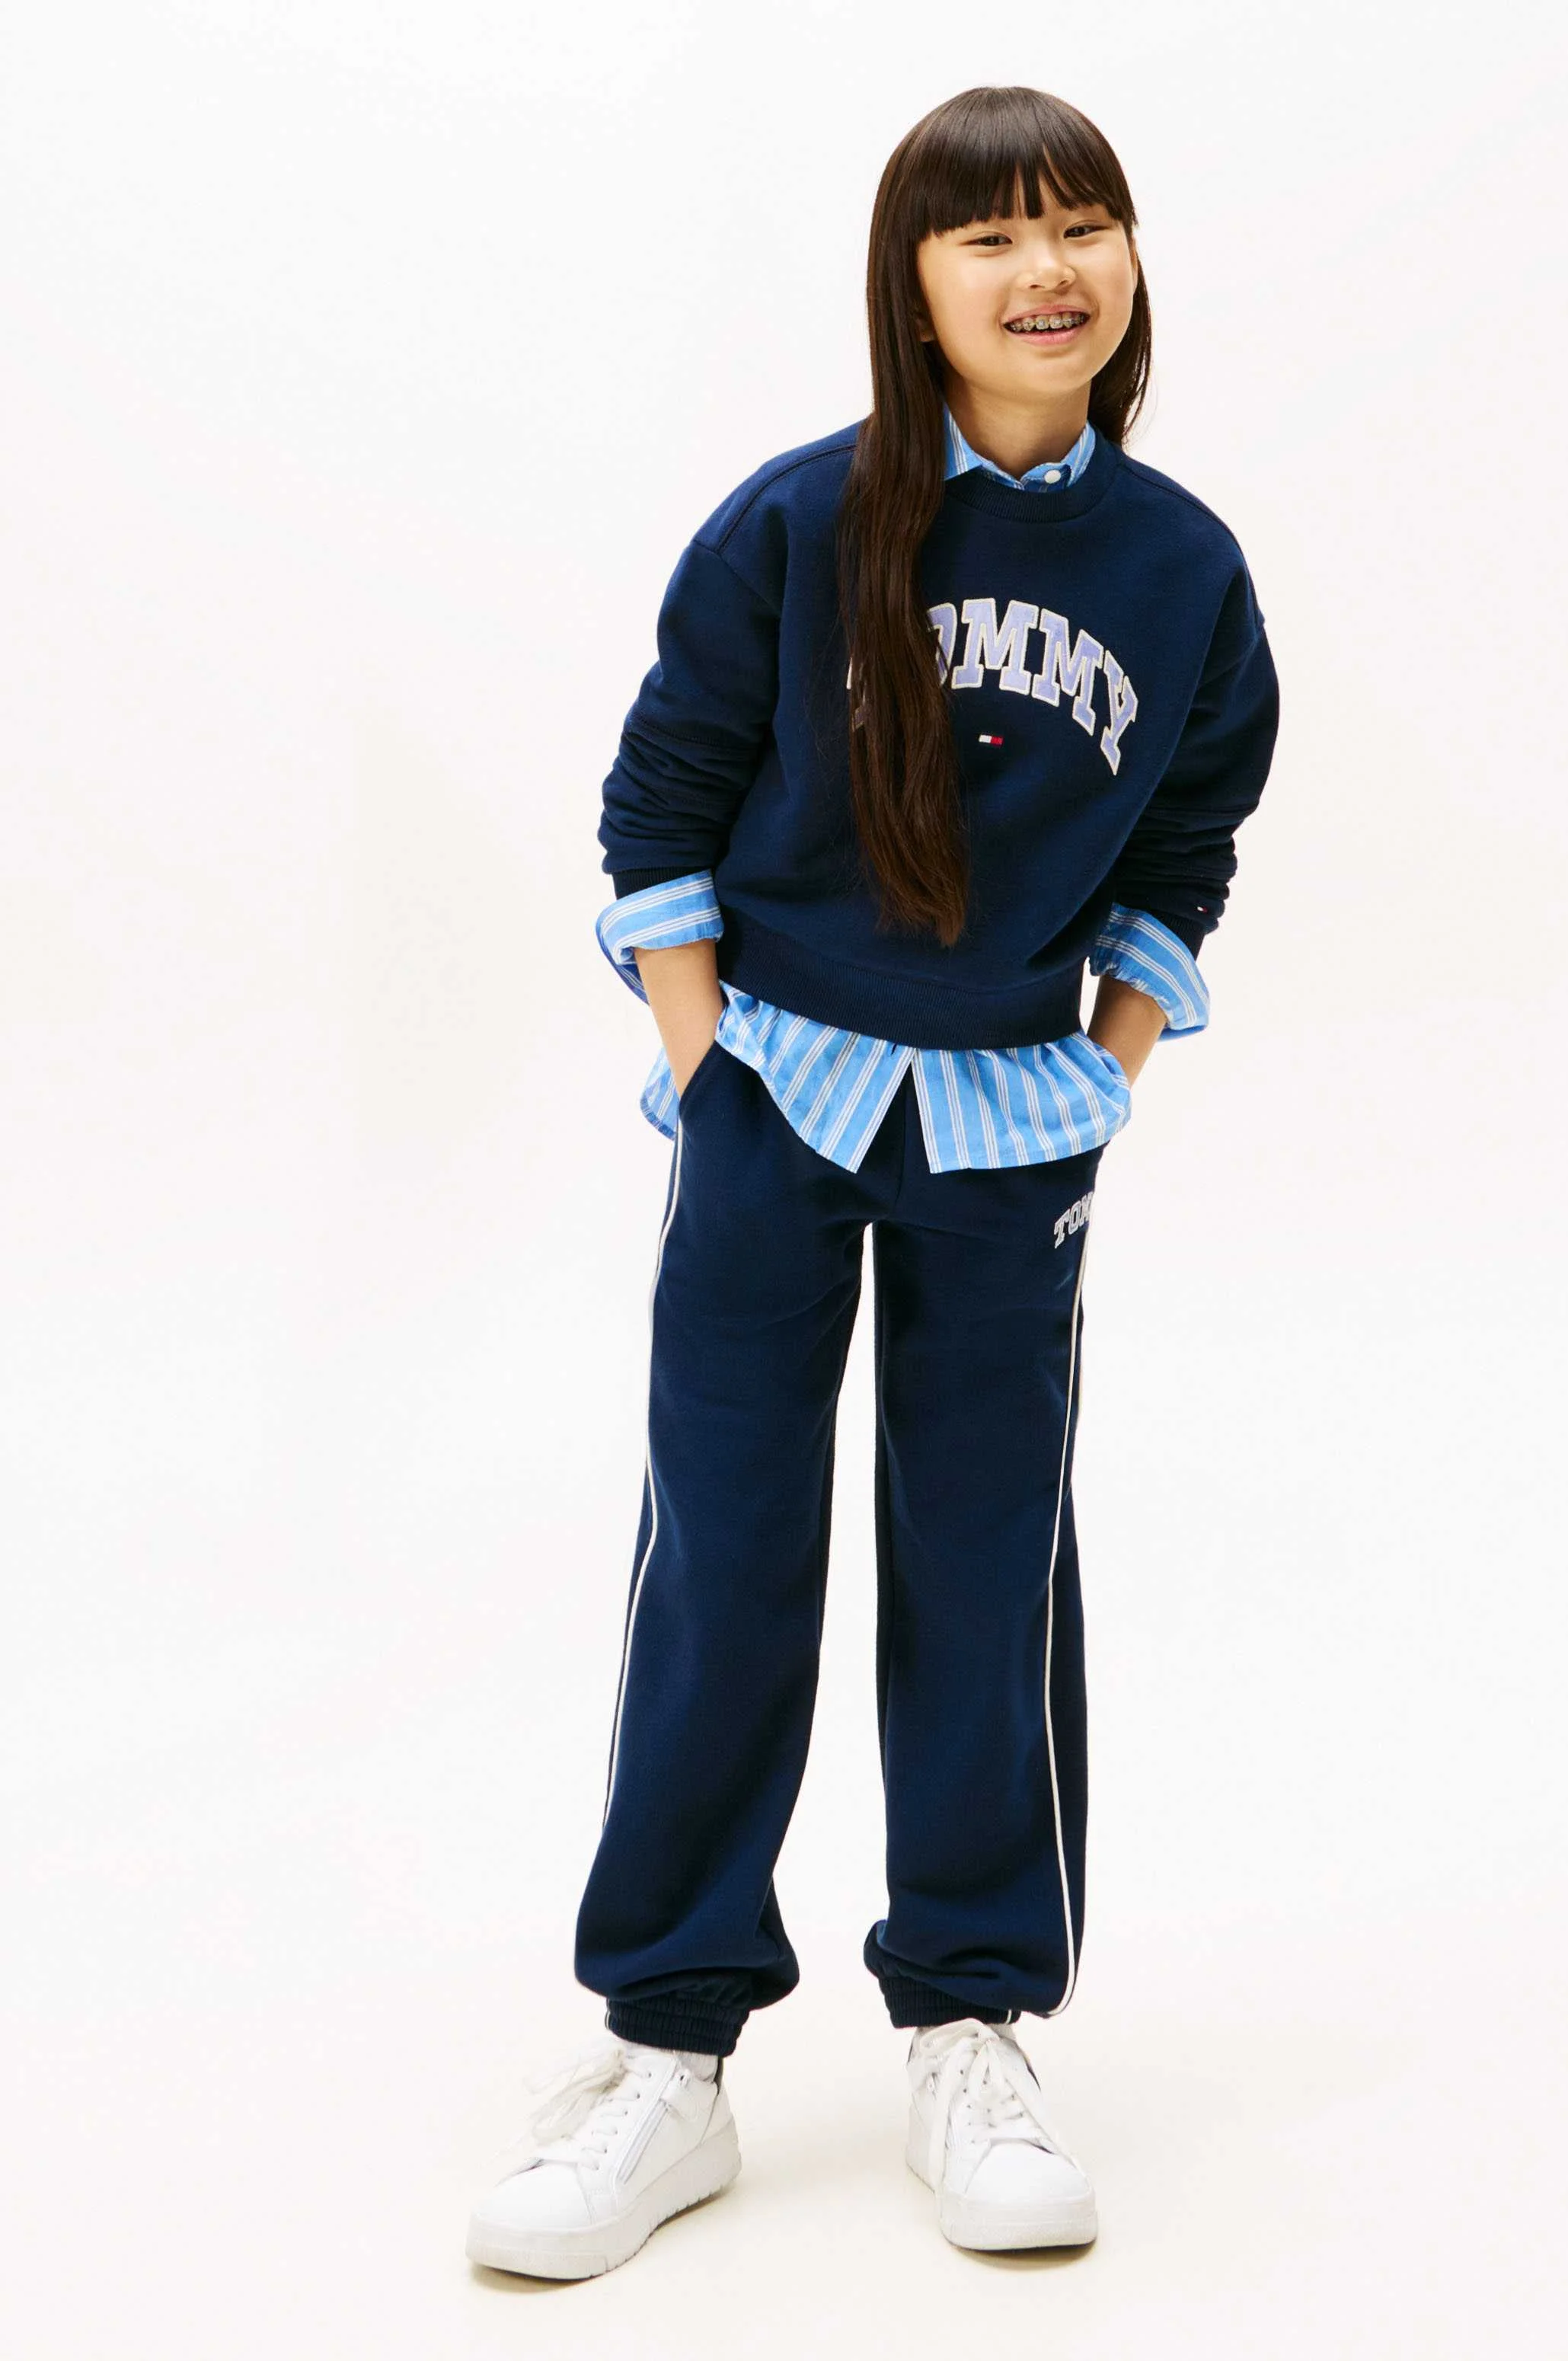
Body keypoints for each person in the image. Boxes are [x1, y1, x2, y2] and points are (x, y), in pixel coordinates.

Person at [467, 81, 1281, 2280]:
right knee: (725, 1553)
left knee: (988, 1558)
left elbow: (1185, 847)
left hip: (1009, 1136)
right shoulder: (797, 522)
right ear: (909, 286)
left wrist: (1101, 1076)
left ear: (1130, 264)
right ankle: (667, 2048)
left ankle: (971, 2021)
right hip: (779, 1103)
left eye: (1082, 222)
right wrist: (706, 1073)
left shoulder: (1182, 567)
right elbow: (663, 801)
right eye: (987, 233)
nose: (1046, 269)